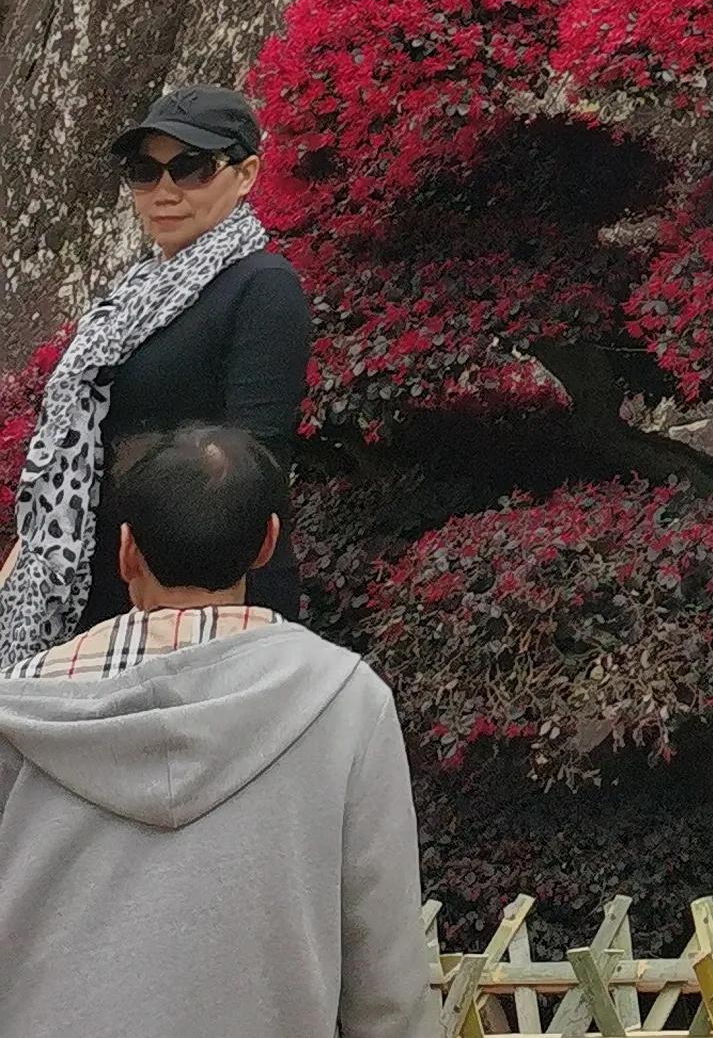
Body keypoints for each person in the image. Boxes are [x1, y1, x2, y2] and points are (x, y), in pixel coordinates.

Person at [0, 423, 436, 1038]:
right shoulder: (344, 701)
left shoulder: (20, 710)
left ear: (126, 551)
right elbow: (387, 982)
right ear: (267, 543)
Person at [0, 82, 310, 671]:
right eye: (145, 170)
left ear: (245, 175)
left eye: (191, 168)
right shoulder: (134, 294)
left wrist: (166, 583)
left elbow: (255, 458)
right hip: (111, 586)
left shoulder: (262, 286)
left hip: (204, 601)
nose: (164, 191)